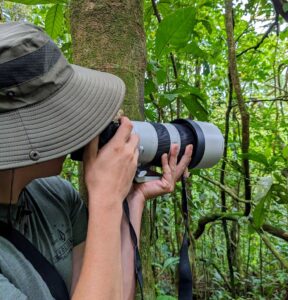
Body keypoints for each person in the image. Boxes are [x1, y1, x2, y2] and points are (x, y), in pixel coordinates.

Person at [0, 22, 193, 299]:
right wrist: (106, 199)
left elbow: (114, 292)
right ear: (23, 133)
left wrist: (131, 198)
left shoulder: (55, 195)